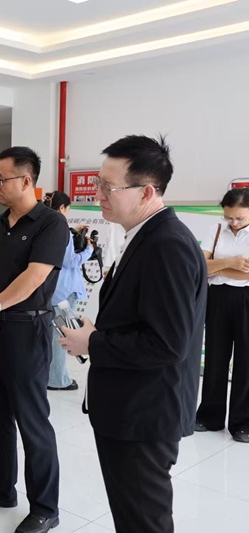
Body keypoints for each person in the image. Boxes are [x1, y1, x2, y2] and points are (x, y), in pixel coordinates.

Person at [59, 135, 207, 533]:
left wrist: (93, 342)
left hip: (145, 415)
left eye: (108, 187)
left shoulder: (167, 245)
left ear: (146, 191)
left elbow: (168, 343)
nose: (98, 195)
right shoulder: (142, 236)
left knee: (143, 522)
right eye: (98, 184)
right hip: (130, 408)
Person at [0, 147, 67, 533]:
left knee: (32, 421)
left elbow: (35, 275)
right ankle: (2, 489)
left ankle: (45, 507)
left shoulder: (50, 223)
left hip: (27, 330)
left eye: (0, 179)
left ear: (26, 180)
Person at [195, 188, 249, 443]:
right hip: (217, 298)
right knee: (215, 357)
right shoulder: (216, 229)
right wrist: (230, 263)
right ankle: (210, 416)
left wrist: (217, 267)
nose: (233, 222)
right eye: (229, 217)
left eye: (239, 218)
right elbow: (200, 266)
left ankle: (243, 422)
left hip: (246, 297)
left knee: (246, 361)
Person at [43, 191, 93, 391]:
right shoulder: (61, 227)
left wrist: (74, 232)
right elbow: (70, 260)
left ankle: (48, 375)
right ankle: (57, 380)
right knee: (62, 336)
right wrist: (89, 250)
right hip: (64, 291)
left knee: (50, 335)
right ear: (63, 208)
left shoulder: (43, 224)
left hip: (49, 289)